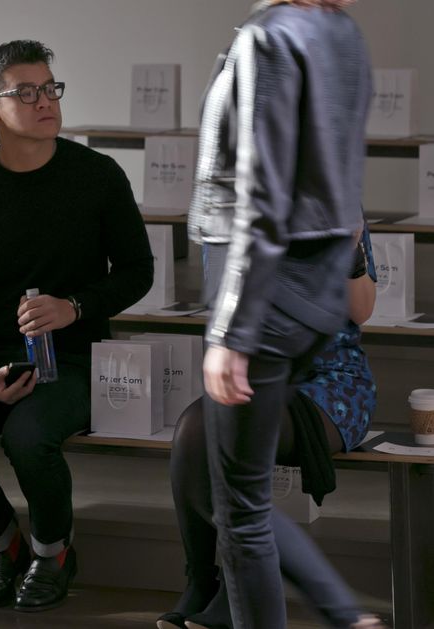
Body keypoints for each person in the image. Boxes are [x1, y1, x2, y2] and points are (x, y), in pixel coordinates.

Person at [0, 39, 154, 613]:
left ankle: (53, 554)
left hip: (75, 356)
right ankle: (4, 545)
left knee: (29, 438)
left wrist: (75, 305)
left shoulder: (97, 175)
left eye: (50, 88)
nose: (45, 101)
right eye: (25, 92)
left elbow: (137, 271)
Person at [183, 0, 384, 627]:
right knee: (238, 497)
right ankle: (341, 613)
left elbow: (262, 197)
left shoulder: (269, 40)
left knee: (240, 510)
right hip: (310, 303)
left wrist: (231, 334)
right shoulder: (340, 36)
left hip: (268, 303)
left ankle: (342, 613)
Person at [159, 225, 381, 629]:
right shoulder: (229, 205)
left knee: (229, 448)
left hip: (330, 383)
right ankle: (202, 581)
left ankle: (240, 587)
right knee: (193, 428)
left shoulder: (332, 199)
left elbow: (362, 310)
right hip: (258, 371)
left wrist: (349, 252)